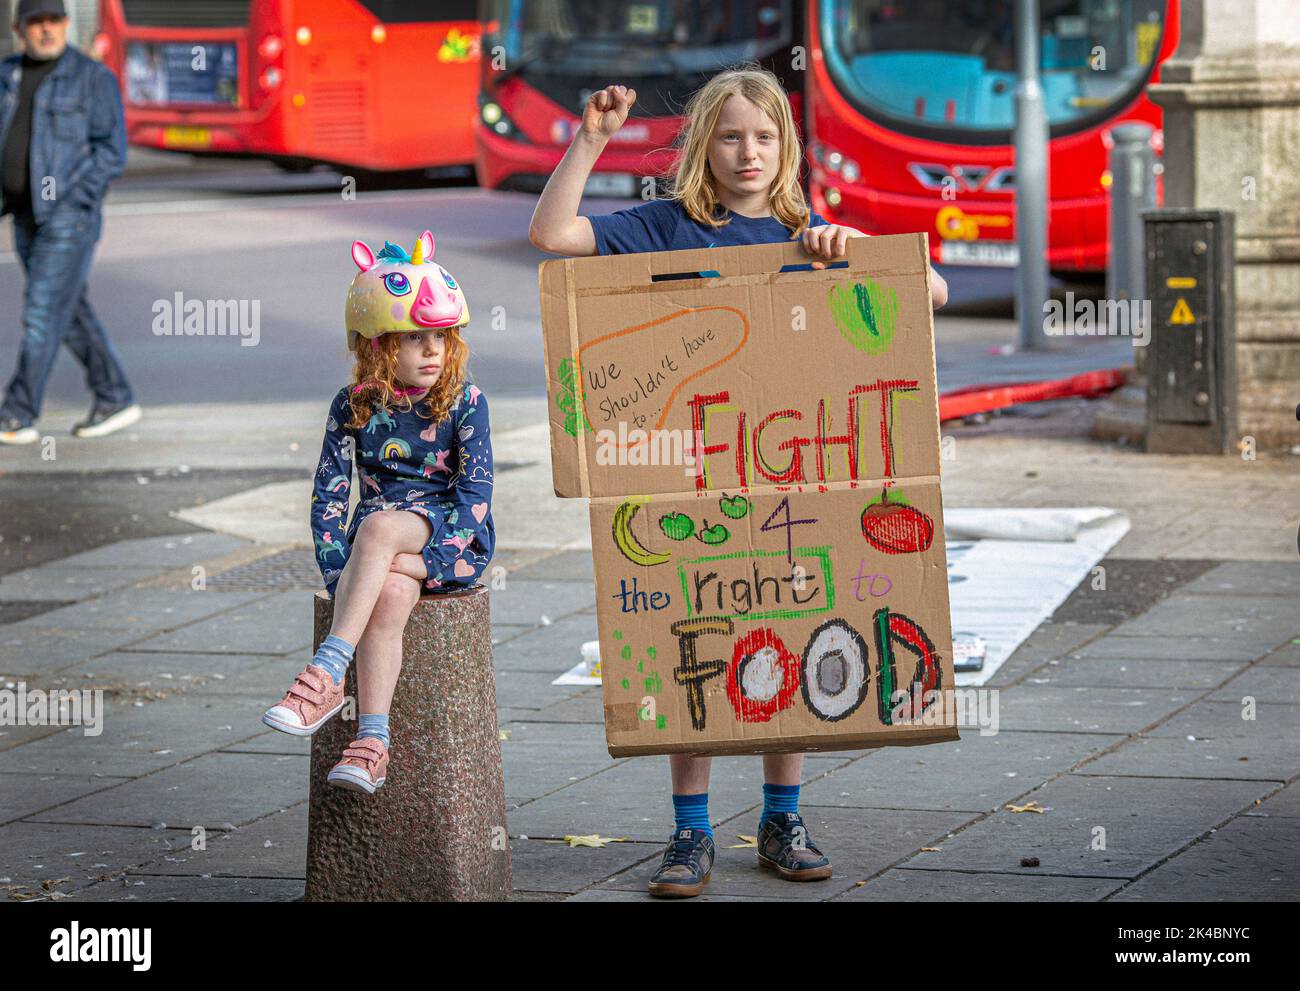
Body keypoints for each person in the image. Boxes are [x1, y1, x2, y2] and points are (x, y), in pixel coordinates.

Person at [529, 65, 948, 898]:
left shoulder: (810, 234)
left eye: (762, 136)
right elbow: (554, 235)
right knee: (699, 641)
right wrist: (589, 140)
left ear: (786, 145)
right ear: (701, 145)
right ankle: (690, 832)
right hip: (687, 478)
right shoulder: (661, 227)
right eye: (728, 135)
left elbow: (928, 290)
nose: (746, 151)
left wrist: (852, 250)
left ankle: (781, 815)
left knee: (790, 631)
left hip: (792, 473)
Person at [261, 229, 495, 795]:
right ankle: (373, 743)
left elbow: (475, 497)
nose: (433, 351)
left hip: (452, 544)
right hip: (383, 557)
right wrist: (345, 577)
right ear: (377, 346)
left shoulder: (467, 402)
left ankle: (325, 672)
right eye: (415, 338)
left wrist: (431, 555)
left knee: (380, 525)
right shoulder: (352, 405)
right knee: (386, 592)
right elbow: (329, 493)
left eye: (441, 337)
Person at [0, 0, 140, 445]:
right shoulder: (7, 74)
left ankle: (17, 413)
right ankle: (115, 396)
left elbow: (110, 152)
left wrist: (76, 201)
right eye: (35, 22)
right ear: (18, 28)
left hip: (67, 220)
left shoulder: (91, 78)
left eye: (53, 21)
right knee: (68, 310)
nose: (46, 30)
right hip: (24, 216)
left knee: (41, 312)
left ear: (65, 25)